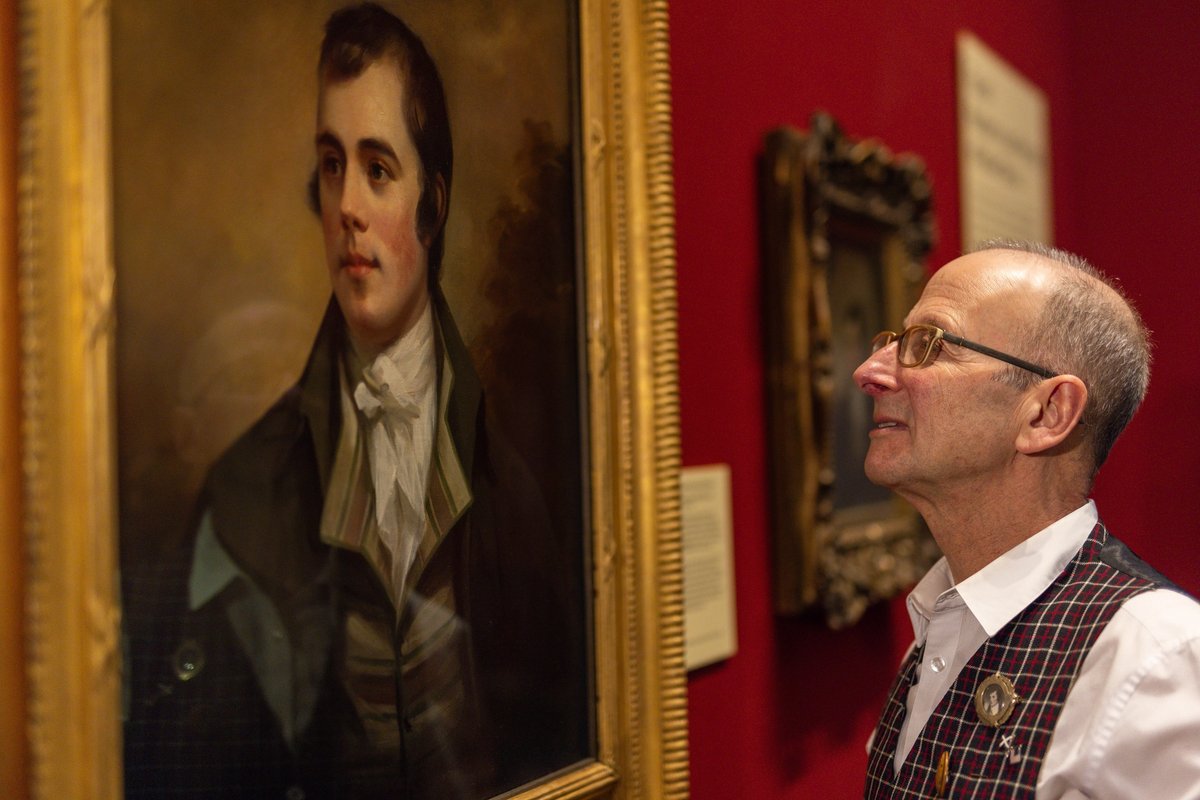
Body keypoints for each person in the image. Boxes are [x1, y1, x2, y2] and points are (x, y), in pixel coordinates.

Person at [123, 4, 585, 798]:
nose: (346, 207)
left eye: (377, 170)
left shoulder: (512, 477)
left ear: (432, 206)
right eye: (332, 165)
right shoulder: (244, 491)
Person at [857, 241, 1200, 799]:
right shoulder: (940, 626)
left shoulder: (1154, 661)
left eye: (929, 345)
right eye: (892, 343)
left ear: (1047, 413)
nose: (869, 372)